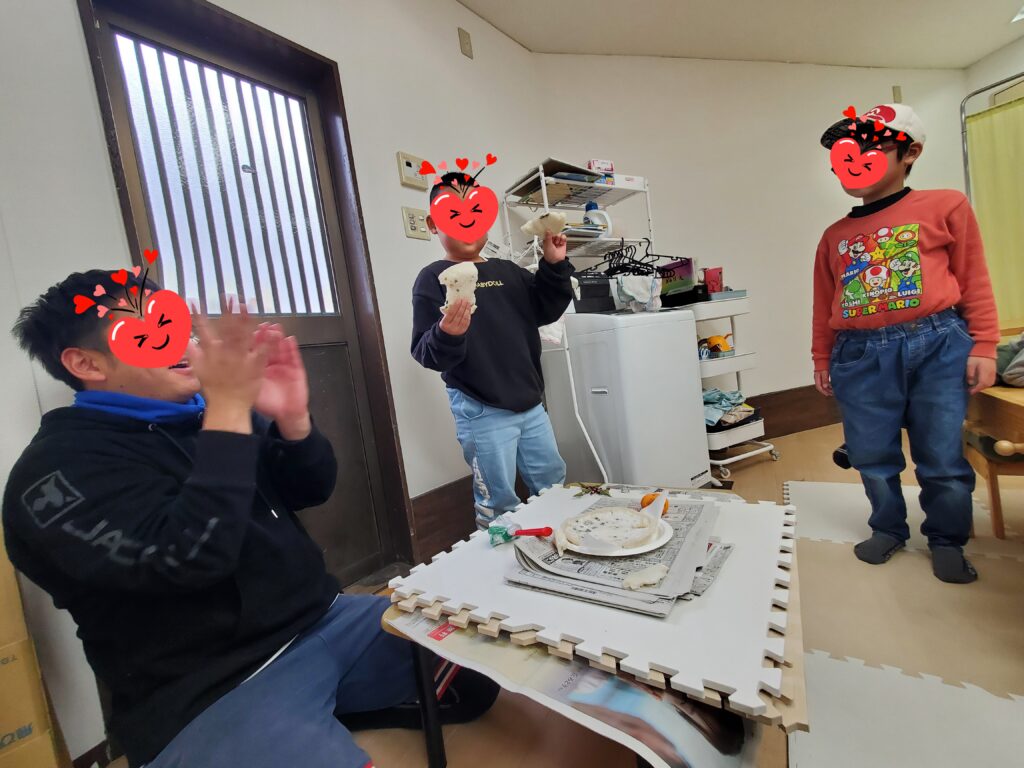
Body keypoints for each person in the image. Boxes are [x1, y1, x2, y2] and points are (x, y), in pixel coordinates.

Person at [2, 270, 497, 768]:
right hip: (211, 688)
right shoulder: (52, 476)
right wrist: (229, 412)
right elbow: (190, 559)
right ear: (86, 363)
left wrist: (293, 420)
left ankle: (323, 711)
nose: (180, 340)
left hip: (324, 621)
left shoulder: (207, 413)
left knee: (481, 669)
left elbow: (311, 488)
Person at [813, 104, 999, 584]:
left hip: (939, 344)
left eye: (869, 149)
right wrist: (821, 357)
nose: (854, 161)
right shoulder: (834, 236)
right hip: (859, 352)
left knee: (941, 454)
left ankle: (947, 538)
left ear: (910, 152)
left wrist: (984, 344)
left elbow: (974, 278)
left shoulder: (946, 205)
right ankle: (888, 527)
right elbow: (824, 301)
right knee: (870, 453)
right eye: (846, 153)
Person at [411, 172, 575, 528]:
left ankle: (555, 540)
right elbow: (425, 352)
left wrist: (554, 265)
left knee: (551, 481)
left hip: (530, 402)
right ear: (433, 223)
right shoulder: (432, 278)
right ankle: (497, 549)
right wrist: (447, 333)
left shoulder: (510, 272)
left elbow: (546, 309)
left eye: (477, 211)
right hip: (480, 408)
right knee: (498, 499)